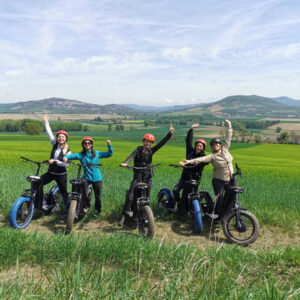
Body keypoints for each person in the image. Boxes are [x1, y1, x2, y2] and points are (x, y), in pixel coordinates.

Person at [118, 124, 175, 226]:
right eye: (146, 141)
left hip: (148, 176)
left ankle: (146, 215)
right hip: (137, 175)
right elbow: (131, 156)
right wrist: (126, 162)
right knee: (130, 196)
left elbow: (162, 143)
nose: (148, 143)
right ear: (143, 141)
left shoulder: (151, 151)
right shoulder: (138, 150)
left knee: (147, 196)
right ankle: (124, 215)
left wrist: (169, 134)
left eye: (150, 142)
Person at [180, 120, 233, 220]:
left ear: (220, 145)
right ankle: (216, 216)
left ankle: (228, 215)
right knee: (220, 198)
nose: (215, 145)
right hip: (219, 180)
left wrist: (229, 126)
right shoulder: (212, 156)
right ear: (212, 147)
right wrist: (188, 161)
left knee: (231, 197)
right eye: (213, 144)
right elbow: (201, 159)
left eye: (217, 143)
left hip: (230, 178)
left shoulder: (225, 149)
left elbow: (228, 138)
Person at [63, 137, 113, 216]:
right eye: (85, 143)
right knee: (81, 192)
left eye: (89, 143)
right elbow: (72, 156)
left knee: (98, 196)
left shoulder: (97, 153)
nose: (87, 144)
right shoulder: (81, 155)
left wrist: (109, 145)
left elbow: (109, 154)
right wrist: (66, 157)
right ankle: (84, 207)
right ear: (83, 145)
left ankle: (98, 212)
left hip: (97, 178)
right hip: (86, 177)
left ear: (91, 144)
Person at [173, 123, 208, 212]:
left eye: (201, 146)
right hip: (184, 178)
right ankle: (179, 203)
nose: (198, 147)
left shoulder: (203, 157)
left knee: (189, 196)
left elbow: (208, 160)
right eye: (197, 145)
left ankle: (189, 211)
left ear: (203, 148)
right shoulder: (190, 152)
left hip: (195, 180)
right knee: (175, 191)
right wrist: (191, 130)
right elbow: (188, 141)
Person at [41, 115, 71, 218]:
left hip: (61, 175)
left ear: (66, 139)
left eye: (63, 137)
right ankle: (44, 202)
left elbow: (66, 164)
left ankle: (67, 212)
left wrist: (55, 161)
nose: (61, 138)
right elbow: (49, 133)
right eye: (59, 136)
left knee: (64, 193)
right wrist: (46, 122)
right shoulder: (54, 144)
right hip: (50, 173)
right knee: (38, 183)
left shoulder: (68, 151)